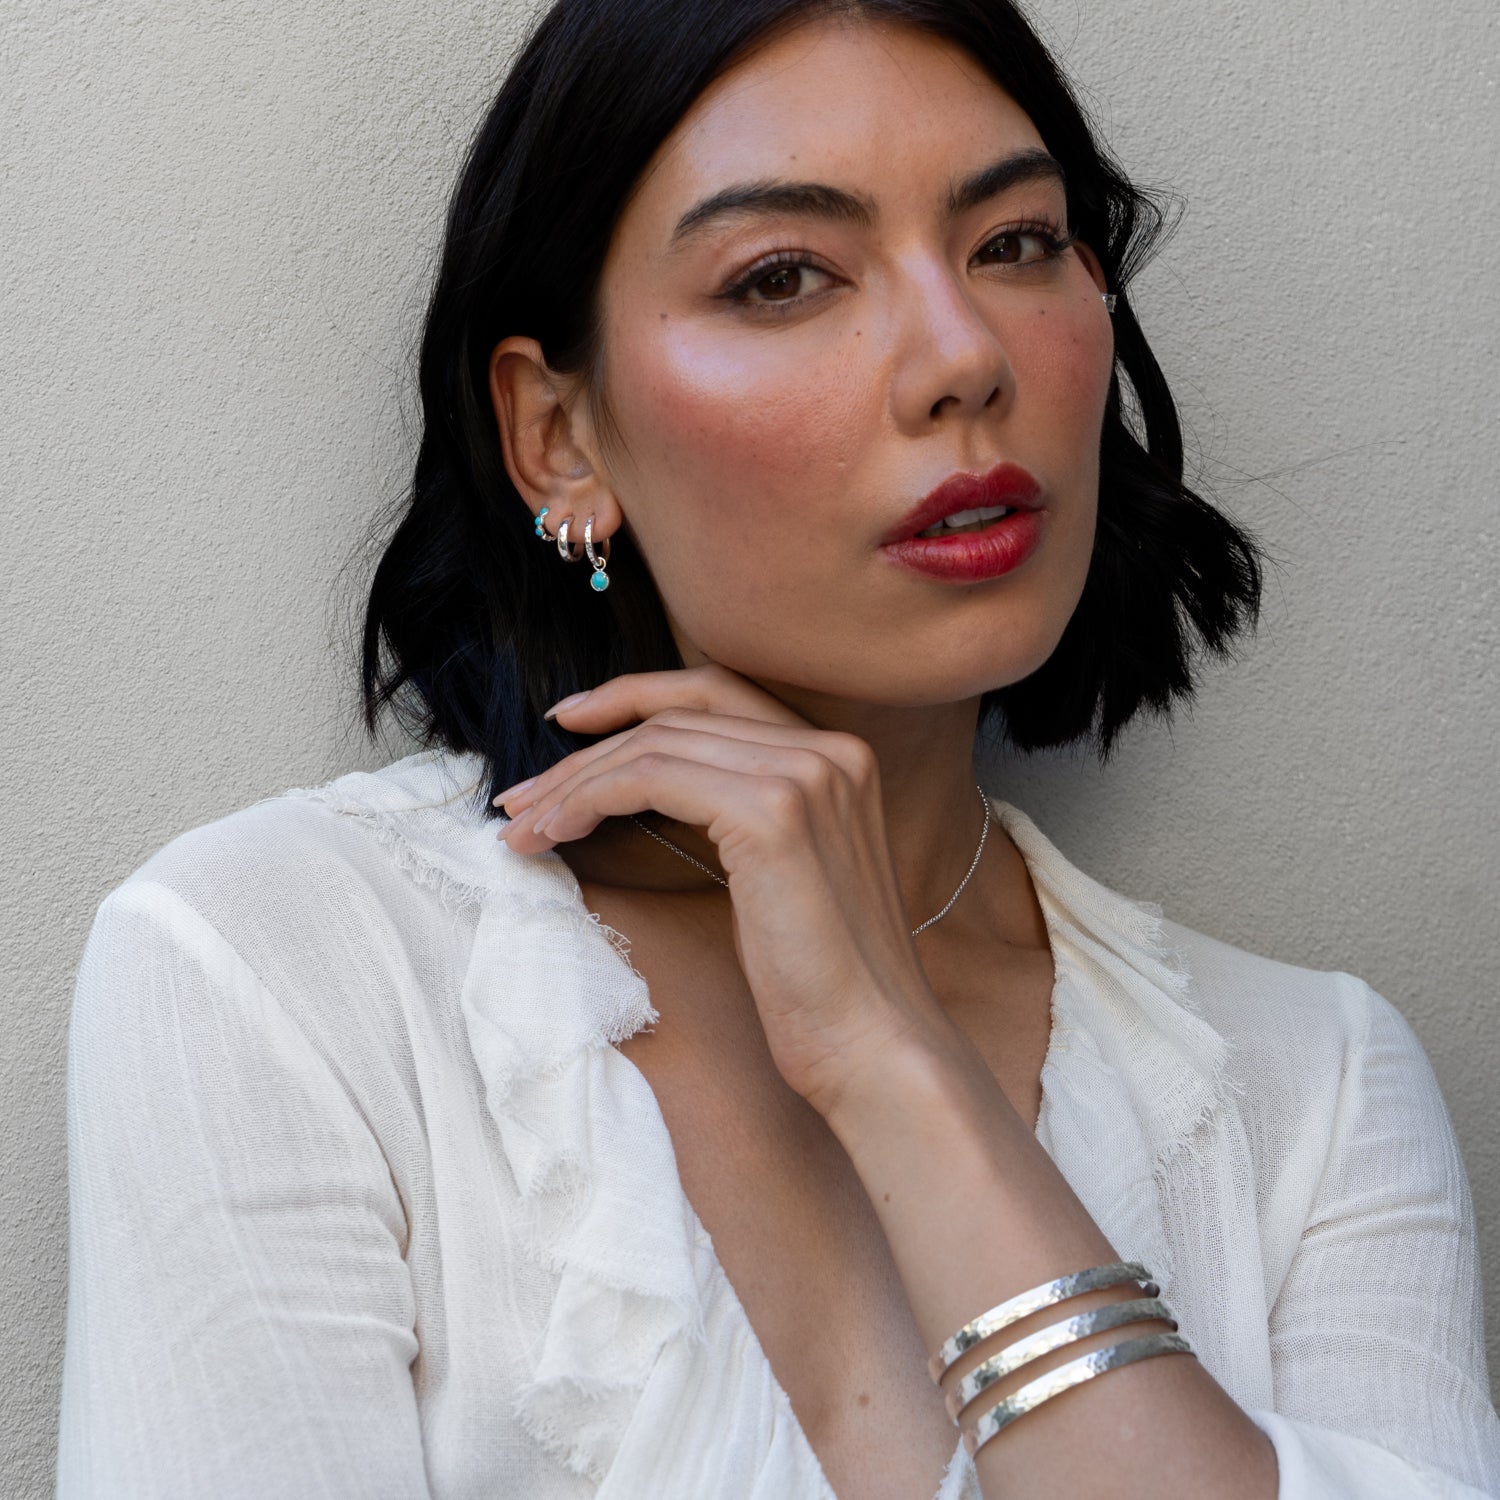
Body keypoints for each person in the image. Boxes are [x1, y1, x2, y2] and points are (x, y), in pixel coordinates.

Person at [55, 0, 1500, 1496]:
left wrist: (892, 1059)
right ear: (558, 437)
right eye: (784, 276)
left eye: (1016, 242)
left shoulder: (1314, 1098)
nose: (963, 358)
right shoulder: (284, 972)